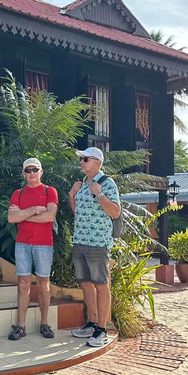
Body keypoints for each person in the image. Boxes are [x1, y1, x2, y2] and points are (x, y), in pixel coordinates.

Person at [68, 147, 121, 348]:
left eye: (85, 159)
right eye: (81, 159)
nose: (81, 162)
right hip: (80, 240)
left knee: (100, 284)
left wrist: (99, 195)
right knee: (86, 283)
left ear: (97, 162)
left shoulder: (107, 183)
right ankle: (91, 324)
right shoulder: (83, 184)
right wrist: (72, 196)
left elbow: (115, 212)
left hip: (98, 243)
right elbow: (79, 213)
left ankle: (102, 329)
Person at [6, 158, 58, 341]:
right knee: (23, 284)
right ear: (23, 174)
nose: (32, 173)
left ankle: (44, 323)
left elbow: (50, 217)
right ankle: (20, 325)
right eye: (28, 170)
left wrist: (23, 215)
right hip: (22, 243)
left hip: (44, 243)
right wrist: (35, 210)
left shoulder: (49, 191)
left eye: (35, 170)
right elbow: (11, 218)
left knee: (44, 284)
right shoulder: (18, 193)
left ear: (41, 172)